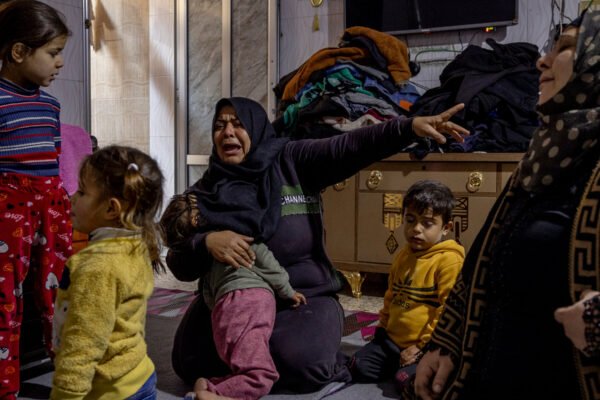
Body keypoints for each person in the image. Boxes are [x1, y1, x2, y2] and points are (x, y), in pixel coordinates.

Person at [164, 96, 469, 393]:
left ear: (256, 128)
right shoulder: (206, 190)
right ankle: (257, 359)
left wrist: (407, 128)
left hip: (302, 297)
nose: (228, 132)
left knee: (307, 365)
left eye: (238, 123)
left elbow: (349, 146)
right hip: (234, 299)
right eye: (219, 125)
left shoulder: (292, 160)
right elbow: (178, 262)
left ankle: (258, 361)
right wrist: (206, 242)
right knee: (188, 362)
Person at [413, 9, 600, 400]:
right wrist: (447, 340)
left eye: (566, 48)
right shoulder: (542, 157)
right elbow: (485, 257)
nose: (542, 61)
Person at [160, 193, 306, 400]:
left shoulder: (209, 256)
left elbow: (208, 291)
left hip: (223, 308)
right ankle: (214, 394)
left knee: (238, 363)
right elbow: (266, 261)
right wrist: (288, 291)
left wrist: (219, 310)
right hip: (249, 304)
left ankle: (209, 385)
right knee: (260, 375)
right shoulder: (237, 232)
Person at [50, 145, 164, 399]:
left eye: (82, 192)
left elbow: (83, 344)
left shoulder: (97, 267)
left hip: (110, 392)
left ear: (111, 209)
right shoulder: (135, 245)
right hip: (138, 376)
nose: (72, 198)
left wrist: (65, 394)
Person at [0, 1, 71, 397]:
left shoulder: (50, 106)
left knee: (60, 296)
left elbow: (54, 159)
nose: (59, 63)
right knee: (4, 302)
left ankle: (72, 376)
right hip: (9, 211)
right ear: (18, 52)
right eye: (53, 52)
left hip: (52, 206)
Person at [349, 180, 464, 385]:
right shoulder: (403, 255)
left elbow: (448, 311)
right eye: (410, 220)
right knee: (357, 365)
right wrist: (382, 328)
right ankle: (399, 365)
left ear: (446, 227)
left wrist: (422, 346)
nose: (416, 229)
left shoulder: (449, 260)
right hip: (391, 342)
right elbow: (391, 296)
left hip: (427, 346)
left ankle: (417, 370)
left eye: (427, 223)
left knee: (407, 381)